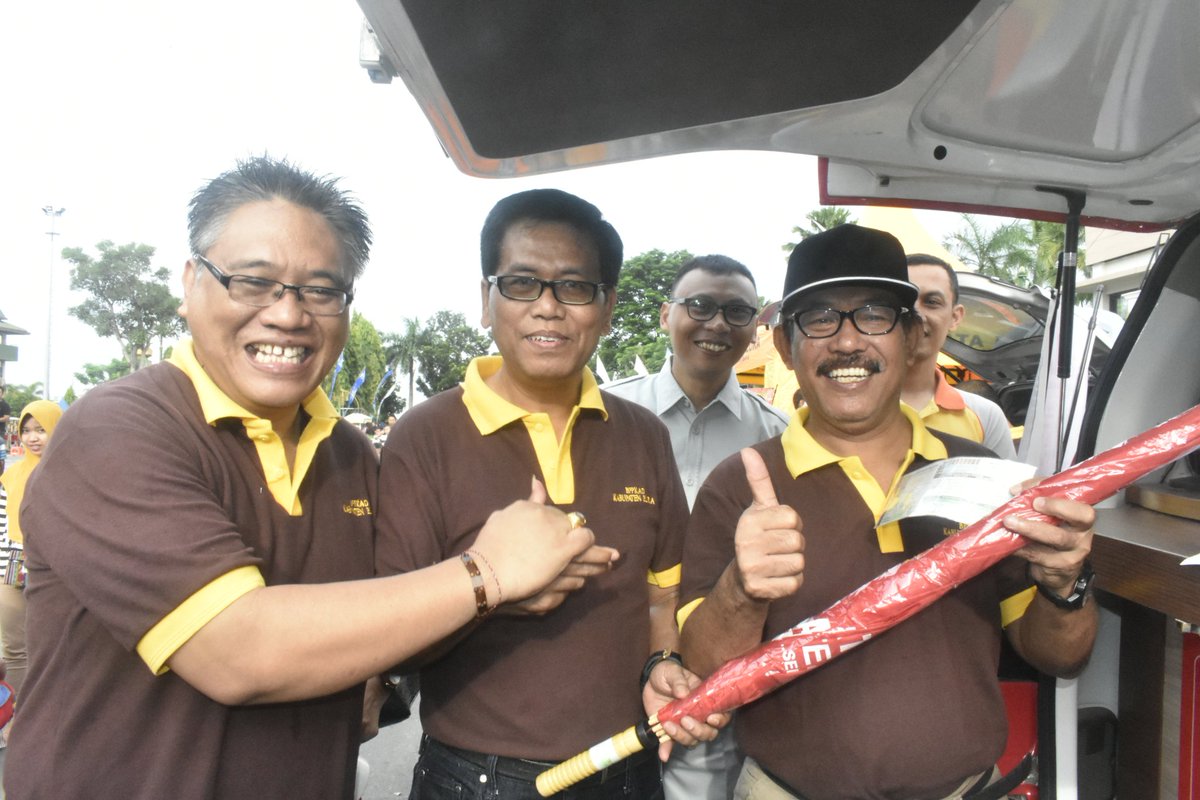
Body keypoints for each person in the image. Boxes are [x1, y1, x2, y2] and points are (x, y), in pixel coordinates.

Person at [7, 158, 594, 800]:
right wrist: (488, 575)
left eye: (321, 290)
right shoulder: (118, 430)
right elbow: (236, 651)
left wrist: (427, 649)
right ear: (189, 281)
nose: (288, 316)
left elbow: (392, 607)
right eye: (254, 282)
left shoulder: (349, 454)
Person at [679, 225, 1098, 799]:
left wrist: (1063, 584)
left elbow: (1060, 656)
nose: (848, 342)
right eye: (819, 318)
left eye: (874, 315)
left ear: (912, 335)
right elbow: (703, 675)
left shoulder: (986, 477)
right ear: (784, 346)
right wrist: (741, 590)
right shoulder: (739, 485)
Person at [376, 188, 726, 800]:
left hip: (627, 767)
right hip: (475, 776)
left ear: (607, 307)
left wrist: (661, 665)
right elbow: (388, 633)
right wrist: (491, 589)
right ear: (485, 302)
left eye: (574, 287)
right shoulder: (424, 435)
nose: (547, 308)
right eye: (520, 284)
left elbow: (659, 598)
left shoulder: (642, 434)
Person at [606, 254, 788, 800]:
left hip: (722, 682)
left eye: (737, 312)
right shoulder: (605, 416)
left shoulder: (778, 440)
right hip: (614, 664)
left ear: (756, 331)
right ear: (665, 315)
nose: (716, 324)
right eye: (700, 305)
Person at [903, 254, 1017, 459]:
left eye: (931, 302)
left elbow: (1010, 489)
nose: (916, 313)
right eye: (905, 301)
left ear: (955, 317)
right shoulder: (851, 405)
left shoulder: (985, 416)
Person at [0, 401, 62, 703]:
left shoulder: (70, 472)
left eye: (41, 430)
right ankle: (14, 717)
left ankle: (49, 713)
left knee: (51, 644)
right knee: (14, 648)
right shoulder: (10, 478)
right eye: (26, 431)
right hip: (11, 566)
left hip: (55, 570)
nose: (33, 437)